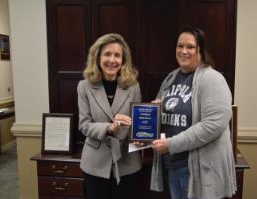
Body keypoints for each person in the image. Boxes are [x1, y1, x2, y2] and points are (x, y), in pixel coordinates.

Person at [150, 26, 237, 199]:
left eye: (190, 47)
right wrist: (155, 112)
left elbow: (212, 125)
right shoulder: (171, 77)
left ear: (201, 51)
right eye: (179, 46)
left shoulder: (212, 79)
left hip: (197, 170)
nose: (184, 51)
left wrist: (171, 144)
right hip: (173, 165)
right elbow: (166, 117)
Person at [77, 33, 142, 199]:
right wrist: (109, 128)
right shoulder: (84, 86)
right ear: (97, 57)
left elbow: (138, 123)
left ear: (123, 60)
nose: (112, 60)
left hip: (127, 162)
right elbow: (84, 125)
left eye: (117, 55)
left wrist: (145, 128)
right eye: (107, 54)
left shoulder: (133, 86)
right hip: (95, 165)